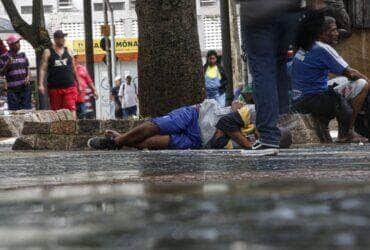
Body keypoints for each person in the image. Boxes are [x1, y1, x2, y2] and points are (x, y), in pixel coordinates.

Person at [87, 99, 292, 151]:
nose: (257, 140)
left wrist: (231, 133)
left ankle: (119, 138)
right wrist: (247, 146)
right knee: (155, 126)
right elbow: (224, 123)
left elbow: (220, 143)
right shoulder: (258, 112)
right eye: (262, 137)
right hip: (197, 115)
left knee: (152, 143)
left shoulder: (254, 143)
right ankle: (116, 142)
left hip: (198, 140)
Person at [238, 0, 305, 150]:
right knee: (279, 64)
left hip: (259, 11)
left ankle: (269, 135)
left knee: (263, 69)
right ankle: (282, 120)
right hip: (289, 10)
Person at [291, 14, 369, 143]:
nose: (336, 33)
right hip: (312, 99)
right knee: (363, 84)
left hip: (299, 96)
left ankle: (326, 121)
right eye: (332, 30)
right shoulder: (322, 49)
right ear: (321, 34)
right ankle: (347, 132)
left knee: (344, 82)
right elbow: (351, 74)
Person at [38, 30, 81, 119]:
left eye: (63, 37)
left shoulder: (68, 50)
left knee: (71, 109)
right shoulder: (48, 52)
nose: (62, 40)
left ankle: (73, 130)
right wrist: (41, 84)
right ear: (55, 39)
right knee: (56, 112)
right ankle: (59, 131)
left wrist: (79, 83)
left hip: (69, 86)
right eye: (60, 38)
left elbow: (74, 69)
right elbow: (43, 68)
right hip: (55, 88)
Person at [0, 35, 32, 111]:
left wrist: (28, 76)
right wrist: (7, 65)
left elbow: (28, 68)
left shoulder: (23, 55)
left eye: (19, 42)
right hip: (13, 91)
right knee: (14, 113)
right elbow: (1, 73)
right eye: (16, 42)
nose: (19, 44)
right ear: (10, 45)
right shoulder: (4, 57)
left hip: (25, 89)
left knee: (27, 112)